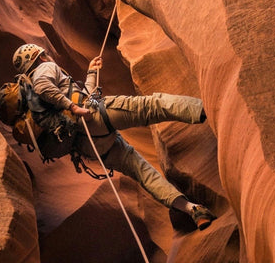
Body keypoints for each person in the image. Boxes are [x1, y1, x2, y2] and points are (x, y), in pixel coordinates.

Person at [11, 43, 216, 230]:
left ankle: (193, 210)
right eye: (44, 53)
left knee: (143, 172)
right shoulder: (44, 69)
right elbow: (47, 89)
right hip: (95, 119)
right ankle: (213, 110)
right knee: (152, 106)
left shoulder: (36, 104)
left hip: (89, 146)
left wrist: (91, 72)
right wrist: (73, 107)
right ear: (39, 57)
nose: (48, 55)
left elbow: (82, 95)